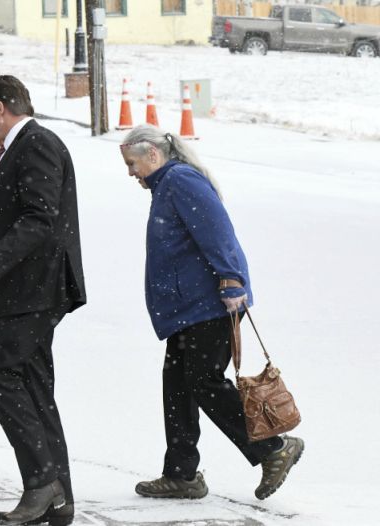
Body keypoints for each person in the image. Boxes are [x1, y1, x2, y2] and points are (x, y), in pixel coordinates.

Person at [118, 124, 304, 500]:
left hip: (208, 306)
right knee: (178, 388)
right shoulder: (167, 185)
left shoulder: (181, 180)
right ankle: (181, 475)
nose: (130, 173)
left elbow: (217, 232)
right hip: (186, 309)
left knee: (203, 382)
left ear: (152, 155)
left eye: (132, 163)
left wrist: (233, 280)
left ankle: (274, 449)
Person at [0, 75, 85, 526]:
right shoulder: (24, 146)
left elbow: (39, 218)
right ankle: (57, 500)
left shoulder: (35, 142)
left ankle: (42, 484)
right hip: (23, 292)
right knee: (33, 388)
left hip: (37, 288)